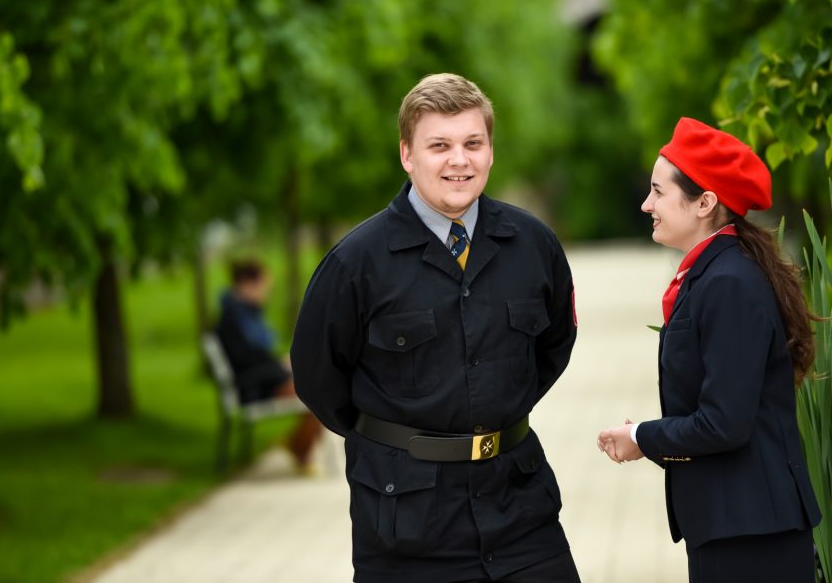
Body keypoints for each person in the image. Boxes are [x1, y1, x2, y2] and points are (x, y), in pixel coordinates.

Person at [290, 73, 580, 583]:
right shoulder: (355, 264)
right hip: (407, 527)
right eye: (439, 146)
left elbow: (553, 347)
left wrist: (492, 408)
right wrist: (401, 439)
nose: (459, 161)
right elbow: (319, 379)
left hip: (521, 516)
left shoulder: (534, 245)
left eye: (473, 143)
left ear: (491, 149)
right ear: (407, 154)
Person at [597, 117, 822, 583]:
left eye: (658, 192)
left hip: (753, 534)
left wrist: (642, 437)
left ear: (705, 202)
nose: (646, 204)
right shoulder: (719, 274)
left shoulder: (728, 283)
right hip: (739, 525)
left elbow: (724, 423)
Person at [216, 259, 323, 470]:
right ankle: (298, 449)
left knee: (319, 391)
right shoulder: (233, 319)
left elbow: (255, 355)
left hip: (263, 379)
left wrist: (282, 365)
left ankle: (297, 447)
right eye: (264, 287)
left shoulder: (243, 314)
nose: (266, 293)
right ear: (247, 284)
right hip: (254, 387)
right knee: (316, 396)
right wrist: (281, 368)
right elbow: (246, 361)